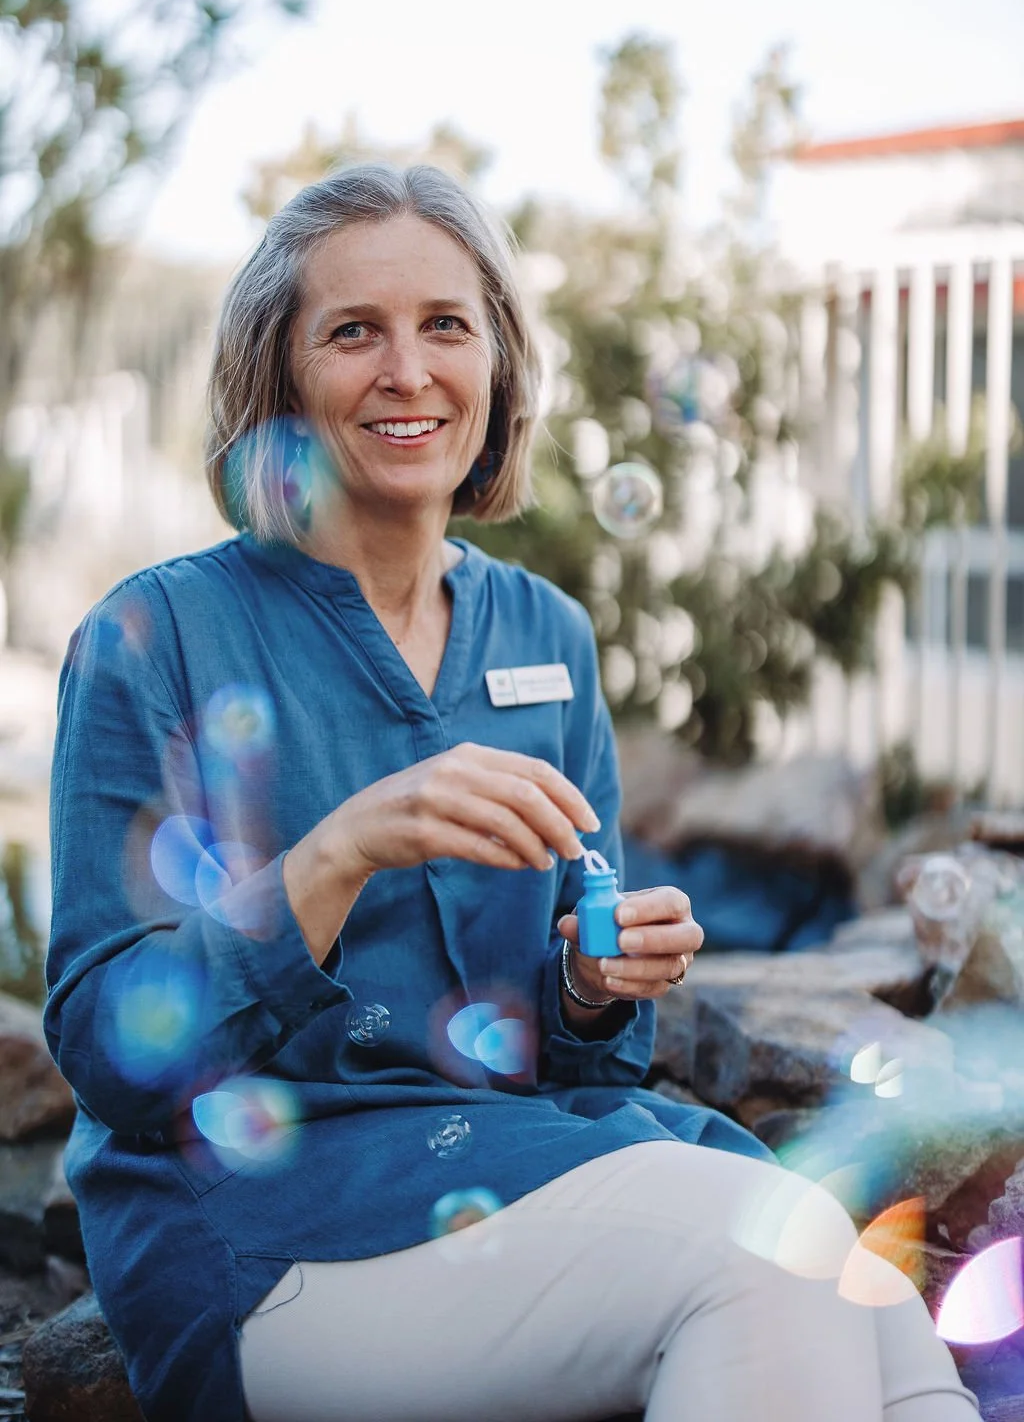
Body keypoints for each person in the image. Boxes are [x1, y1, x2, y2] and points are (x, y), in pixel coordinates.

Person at [44, 162, 978, 1422]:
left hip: (507, 1166)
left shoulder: (542, 631)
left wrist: (591, 987)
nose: (409, 371)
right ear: (278, 379)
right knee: (762, 1266)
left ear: (499, 363)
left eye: (446, 325)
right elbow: (111, 1050)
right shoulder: (157, 635)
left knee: (897, 1346)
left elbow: (563, 1037)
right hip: (268, 1221)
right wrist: (336, 856)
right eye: (353, 331)